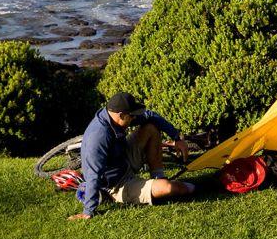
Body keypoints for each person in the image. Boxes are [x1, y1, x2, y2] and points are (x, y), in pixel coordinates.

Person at [68, 92, 196, 220]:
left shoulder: (113, 114)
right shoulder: (98, 136)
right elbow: (93, 174)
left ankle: (159, 177)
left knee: (151, 128)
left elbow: (150, 116)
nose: (134, 118)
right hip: (115, 184)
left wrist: (177, 138)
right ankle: (111, 195)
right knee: (171, 188)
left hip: (123, 160)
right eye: (132, 116)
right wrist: (88, 211)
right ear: (121, 115)